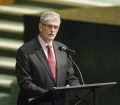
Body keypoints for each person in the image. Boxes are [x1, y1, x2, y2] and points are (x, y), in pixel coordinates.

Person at [15, 11, 80, 105]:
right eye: (49, 26)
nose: (52, 30)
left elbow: (70, 77)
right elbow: (25, 84)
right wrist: (49, 94)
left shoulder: (62, 49)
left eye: (56, 27)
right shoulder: (25, 51)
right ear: (40, 27)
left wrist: (76, 87)